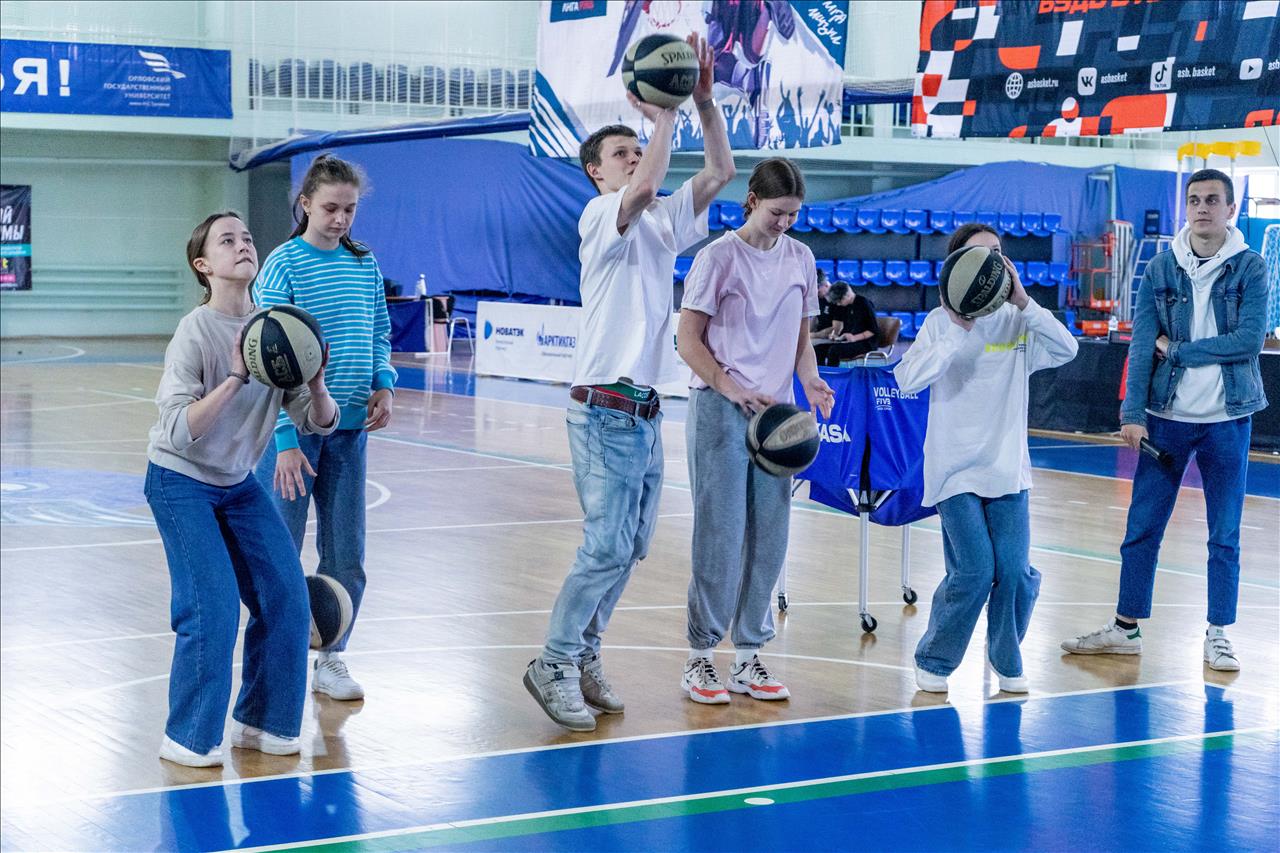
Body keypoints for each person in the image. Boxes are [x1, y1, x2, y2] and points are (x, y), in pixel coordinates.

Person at [524, 33, 735, 732]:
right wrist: (663, 115)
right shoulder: (600, 215)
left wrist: (702, 102)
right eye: (621, 152)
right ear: (596, 172)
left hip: (644, 412)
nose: (635, 157)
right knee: (606, 545)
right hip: (604, 410)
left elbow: (721, 170)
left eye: (636, 147)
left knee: (632, 547)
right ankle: (553, 660)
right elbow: (643, 186)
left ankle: (584, 651)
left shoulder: (663, 223)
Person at [147, 212, 338, 767]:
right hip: (180, 479)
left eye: (247, 237)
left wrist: (316, 382)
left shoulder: (278, 328)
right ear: (203, 265)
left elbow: (318, 422)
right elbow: (178, 430)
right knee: (211, 606)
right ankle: (187, 737)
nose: (243, 245)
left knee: (287, 596)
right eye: (227, 240)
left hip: (236, 483)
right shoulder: (195, 330)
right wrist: (235, 377)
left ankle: (262, 721)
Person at [1062, 168, 1268, 672]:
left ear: (1230, 210)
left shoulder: (1251, 267)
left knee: (1224, 534)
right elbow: (1140, 345)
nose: (1202, 208)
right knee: (1142, 528)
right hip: (1165, 419)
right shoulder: (1161, 267)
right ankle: (1125, 629)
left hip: (1228, 419)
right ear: (1187, 208)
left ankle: (1218, 635)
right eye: (1194, 200)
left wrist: (1176, 351)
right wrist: (1132, 413)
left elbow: (1249, 341)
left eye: (1213, 200)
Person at [676, 158, 835, 704]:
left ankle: (748, 656)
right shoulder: (718, 257)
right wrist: (730, 387)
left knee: (770, 537)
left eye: (793, 214)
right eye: (776, 212)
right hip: (721, 409)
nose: (784, 223)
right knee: (720, 536)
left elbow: (801, 338)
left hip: (779, 419)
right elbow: (687, 340)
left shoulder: (801, 258)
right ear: (752, 200)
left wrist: (810, 381)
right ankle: (700, 657)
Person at [895, 224, 1077, 694]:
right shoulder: (939, 324)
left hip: (1007, 470)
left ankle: (1006, 656)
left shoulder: (1020, 322)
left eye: (997, 254)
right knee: (975, 571)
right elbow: (908, 379)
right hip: (954, 473)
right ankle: (935, 659)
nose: (990, 263)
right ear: (956, 267)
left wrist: (1025, 303)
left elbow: (1067, 348)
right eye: (978, 256)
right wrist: (958, 328)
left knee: (1014, 572)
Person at [254, 153, 397, 702]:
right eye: (331, 208)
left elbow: (379, 329)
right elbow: (267, 359)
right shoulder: (283, 264)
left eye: (350, 209)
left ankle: (332, 656)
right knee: (279, 553)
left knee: (346, 555)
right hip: (293, 437)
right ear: (305, 204)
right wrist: (285, 440)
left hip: (350, 432)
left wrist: (383, 381)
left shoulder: (363, 262)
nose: (340, 219)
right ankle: (278, 657)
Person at [816, 281, 881, 366]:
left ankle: (833, 372)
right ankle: (821, 372)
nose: (838, 304)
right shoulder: (846, 306)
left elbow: (873, 330)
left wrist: (855, 338)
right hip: (850, 341)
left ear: (845, 296)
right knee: (819, 348)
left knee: (834, 350)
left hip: (865, 343)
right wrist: (838, 337)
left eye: (839, 301)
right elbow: (846, 328)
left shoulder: (864, 303)